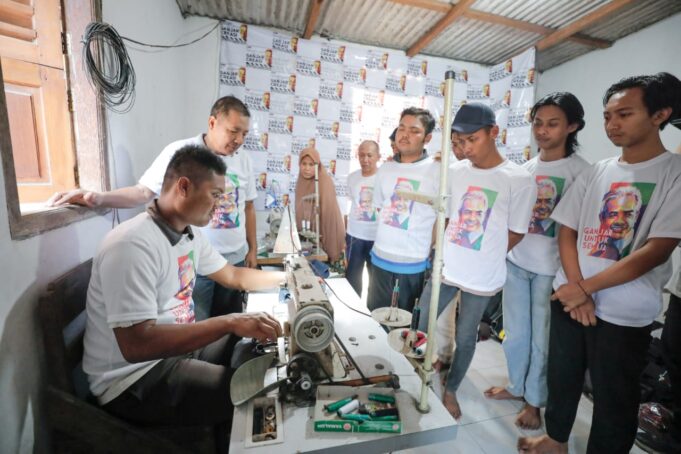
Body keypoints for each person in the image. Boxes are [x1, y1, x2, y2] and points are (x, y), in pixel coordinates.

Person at [82, 146, 284, 451]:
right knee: (256, 393)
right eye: (215, 194)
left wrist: (290, 276)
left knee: (260, 347)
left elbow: (233, 276)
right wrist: (229, 321)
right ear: (184, 187)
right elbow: (137, 346)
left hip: (169, 354)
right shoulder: (131, 246)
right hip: (132, 380)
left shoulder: (188, 234)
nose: (220, 205)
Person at [519, 72, 681, 454]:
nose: (612, 125)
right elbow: (567, 232)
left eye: (624, 114)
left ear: (660, 115)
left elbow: (656, 249)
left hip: (624, 312)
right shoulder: (598, 170)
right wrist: (576, 289)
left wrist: (584, 290)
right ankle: (556, 440)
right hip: (570, 296)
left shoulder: (673, 173)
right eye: (608, 116)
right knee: (563, 377)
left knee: (614, 396)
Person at [47, 96, 259, 321]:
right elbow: (142, 192)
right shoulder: (182, 153)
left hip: (233, 256)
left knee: (232, 325)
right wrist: (96, 198)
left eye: (244, 134)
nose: (238, 140)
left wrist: (252, 249)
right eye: (233, 131)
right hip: (195, 261)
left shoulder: (244, 160)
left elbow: (248, 207)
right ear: (212, 123)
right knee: (198, 323)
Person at [418, 103, 536, 420]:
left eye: (473, 139)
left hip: (482, 277)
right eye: (460, 140)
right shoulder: (456, 173)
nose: (466, 148)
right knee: (421, 321)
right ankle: (416, 375)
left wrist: (486, 254)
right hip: (447, 268)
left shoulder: (518, 178)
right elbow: (446, 219)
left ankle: (451, 389)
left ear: (493, 132)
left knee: (466, 337)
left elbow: (517, 232)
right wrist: (438, 252)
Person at [483, 92, 590, 430]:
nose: (542, 131)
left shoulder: (582, 173)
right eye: (538, 123)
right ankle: (517, 387)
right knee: (513, 334)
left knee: (542, 342)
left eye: (553, 124)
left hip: (551, 272)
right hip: (517, 264)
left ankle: (535, 402)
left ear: (572, 127)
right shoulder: (525, 169)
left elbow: (578, 232)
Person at [367, 107, 440, 314]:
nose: (405, 135)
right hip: (380, 259)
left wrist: (426, 249)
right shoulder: (385, 169)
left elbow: (442, 218)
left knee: (406, 327)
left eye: (414, 130)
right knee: (376, 318)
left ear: (427, 138)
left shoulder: (436, 171)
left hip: (413, 264)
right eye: (401, 128)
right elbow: (381, 206)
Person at [294, 147, 346, 263]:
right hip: (308, 238)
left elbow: (329, 218)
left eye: (311, 164)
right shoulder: (300, 181)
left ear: (318, 165)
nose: (307, 168)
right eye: (304, 164)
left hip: (326, 237)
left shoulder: (324, 182)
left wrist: (326, 245)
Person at [345, 140, 381, 296]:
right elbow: (348, 206)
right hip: (355, 236)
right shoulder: (352, 178)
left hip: (377, 238)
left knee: (375, 282)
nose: (365, 160)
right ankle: (354, 315)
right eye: (361, 155)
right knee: (352, 280)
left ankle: (372, 315)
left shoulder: (384, 177)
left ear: (378, 156)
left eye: (369, 155)